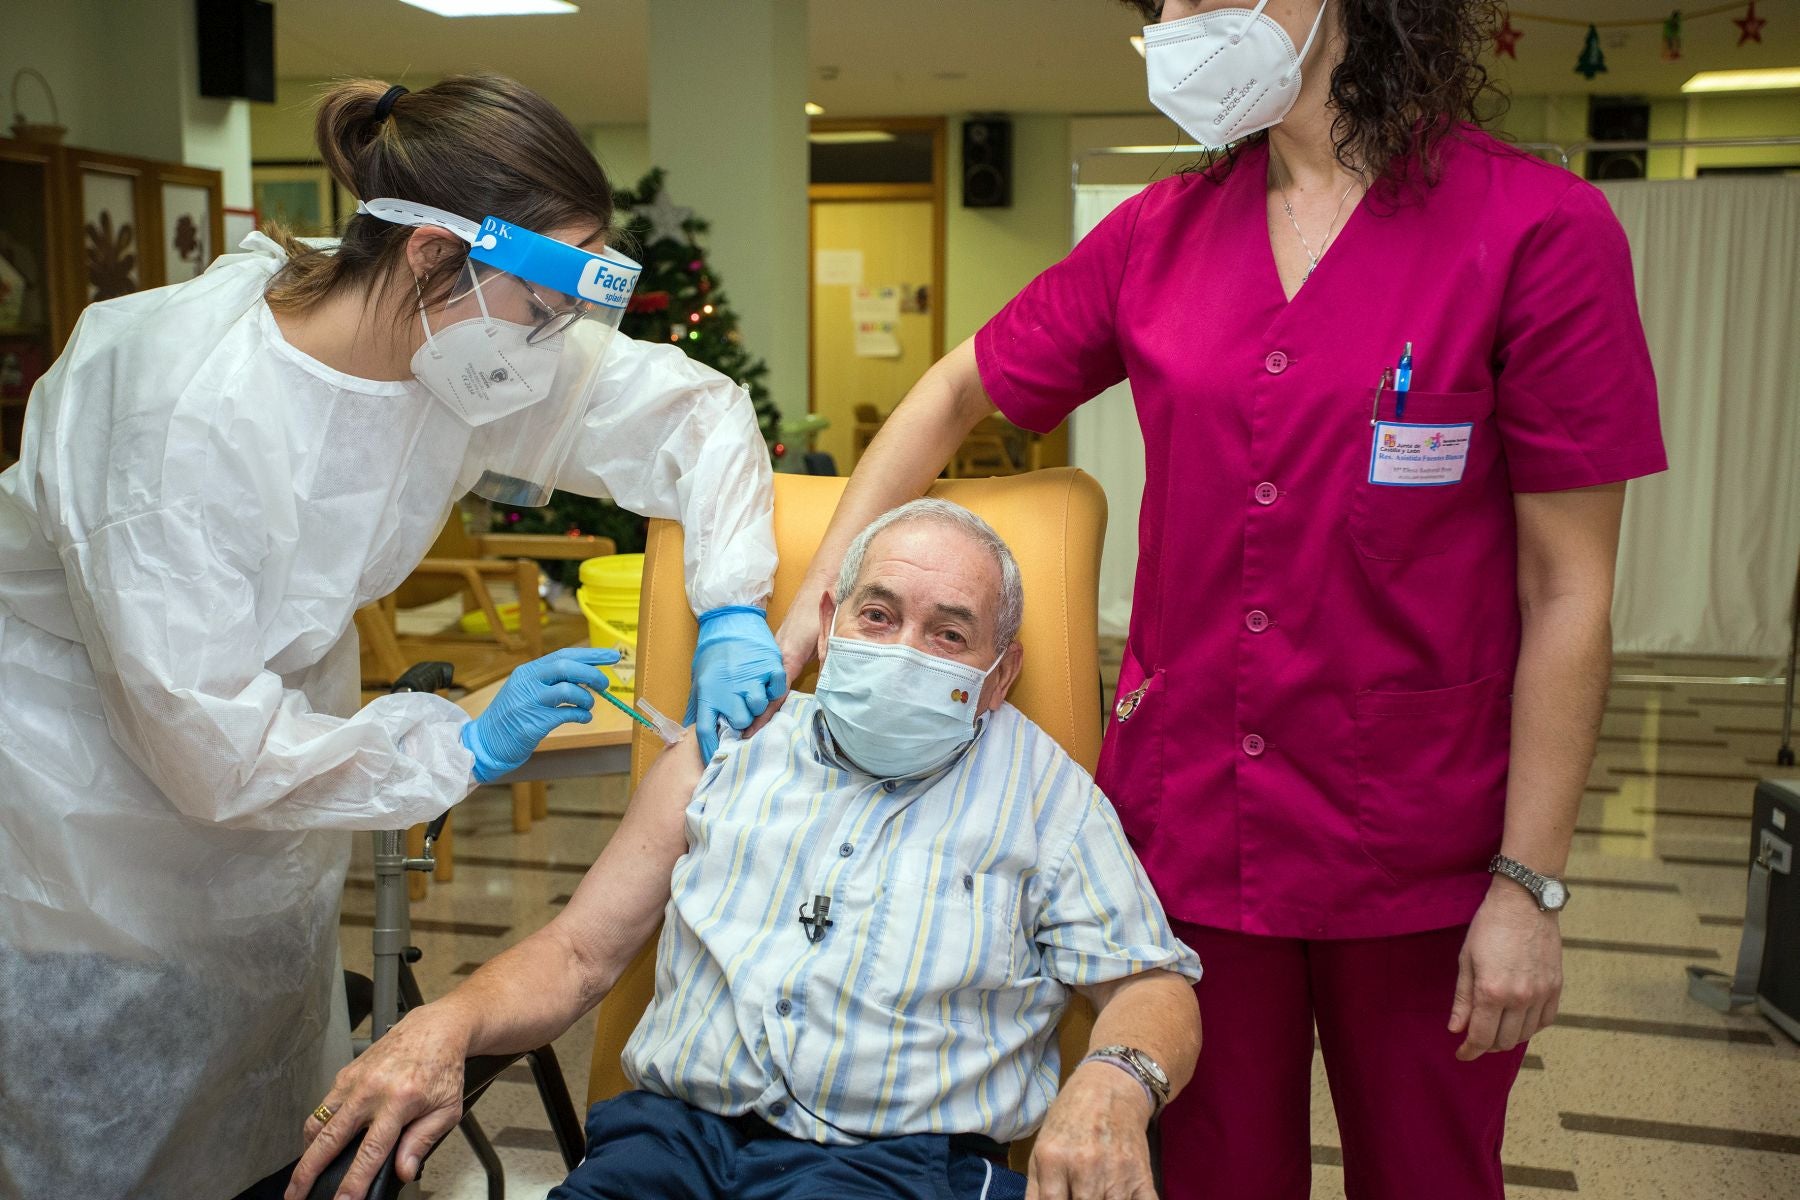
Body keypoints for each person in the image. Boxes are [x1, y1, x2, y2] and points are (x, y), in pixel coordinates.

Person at [773, 3, 1667, 1197]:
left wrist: (1529, 883)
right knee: (1210, 1178)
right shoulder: (1161, 233)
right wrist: (821, 594)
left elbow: (1569, 590)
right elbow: (951, 393)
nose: (1179, 22)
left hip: (1421, 840)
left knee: (1430, 1175)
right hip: (1194, 826)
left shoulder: (1536, 228)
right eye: (1164, 2)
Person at [0, 75, 784, 1199]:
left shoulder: (446, 339)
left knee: (266, 1106)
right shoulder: (181, 414)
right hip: (83, 814)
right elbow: (203, 745)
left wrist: (735, 605)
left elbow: (693, 415)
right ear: (429, 253)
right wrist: (456, 741)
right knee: (101, 1122)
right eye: (543, 301)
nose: (554, 338)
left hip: (264, 775)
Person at [286, 500, 1202, 1200]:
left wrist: (1116, 1079)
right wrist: (444, 1023)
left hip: (893, 1170)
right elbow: (576, 953)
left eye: (949, 634)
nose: (904, 651)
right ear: (831, 622)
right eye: (879, 615)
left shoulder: (1047, 798)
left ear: (1000, 675)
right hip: (665, 1147)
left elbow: (1151, 984)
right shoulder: (729, 745)